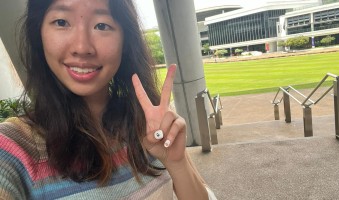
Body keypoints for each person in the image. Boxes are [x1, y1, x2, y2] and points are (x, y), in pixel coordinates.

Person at [0, 0, 216, 199]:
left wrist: (176, 162)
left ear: (125, 39)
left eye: (102, 25)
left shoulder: (148, 121)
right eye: (61, 22)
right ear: (38, 33)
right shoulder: (13, 149)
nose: (82, 48)